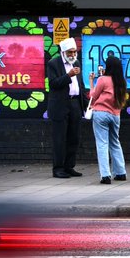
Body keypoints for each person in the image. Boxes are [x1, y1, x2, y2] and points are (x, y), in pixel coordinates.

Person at [46, 38, 85, 179]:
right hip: (60, 105)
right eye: (70, 52)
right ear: (63, 52)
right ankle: (58, 168)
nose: (73, 55)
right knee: (59, 138)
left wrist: (85, 104)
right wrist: (68, 75)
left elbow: (80, 85)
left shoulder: (77, 63)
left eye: (74, 52)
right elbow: (53, 84)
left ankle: (69, 167)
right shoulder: (53, 64)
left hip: (74, 103)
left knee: (74, 137)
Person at [87, 54, 128, 184]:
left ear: (108, 67)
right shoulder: (122, 81)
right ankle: (121, 172)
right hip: (116, 115)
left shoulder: (103, 80)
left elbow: (93, 95)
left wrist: (91, 81)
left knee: (102, 144)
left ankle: (105, 175)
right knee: (115, 142)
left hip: (101, 114)